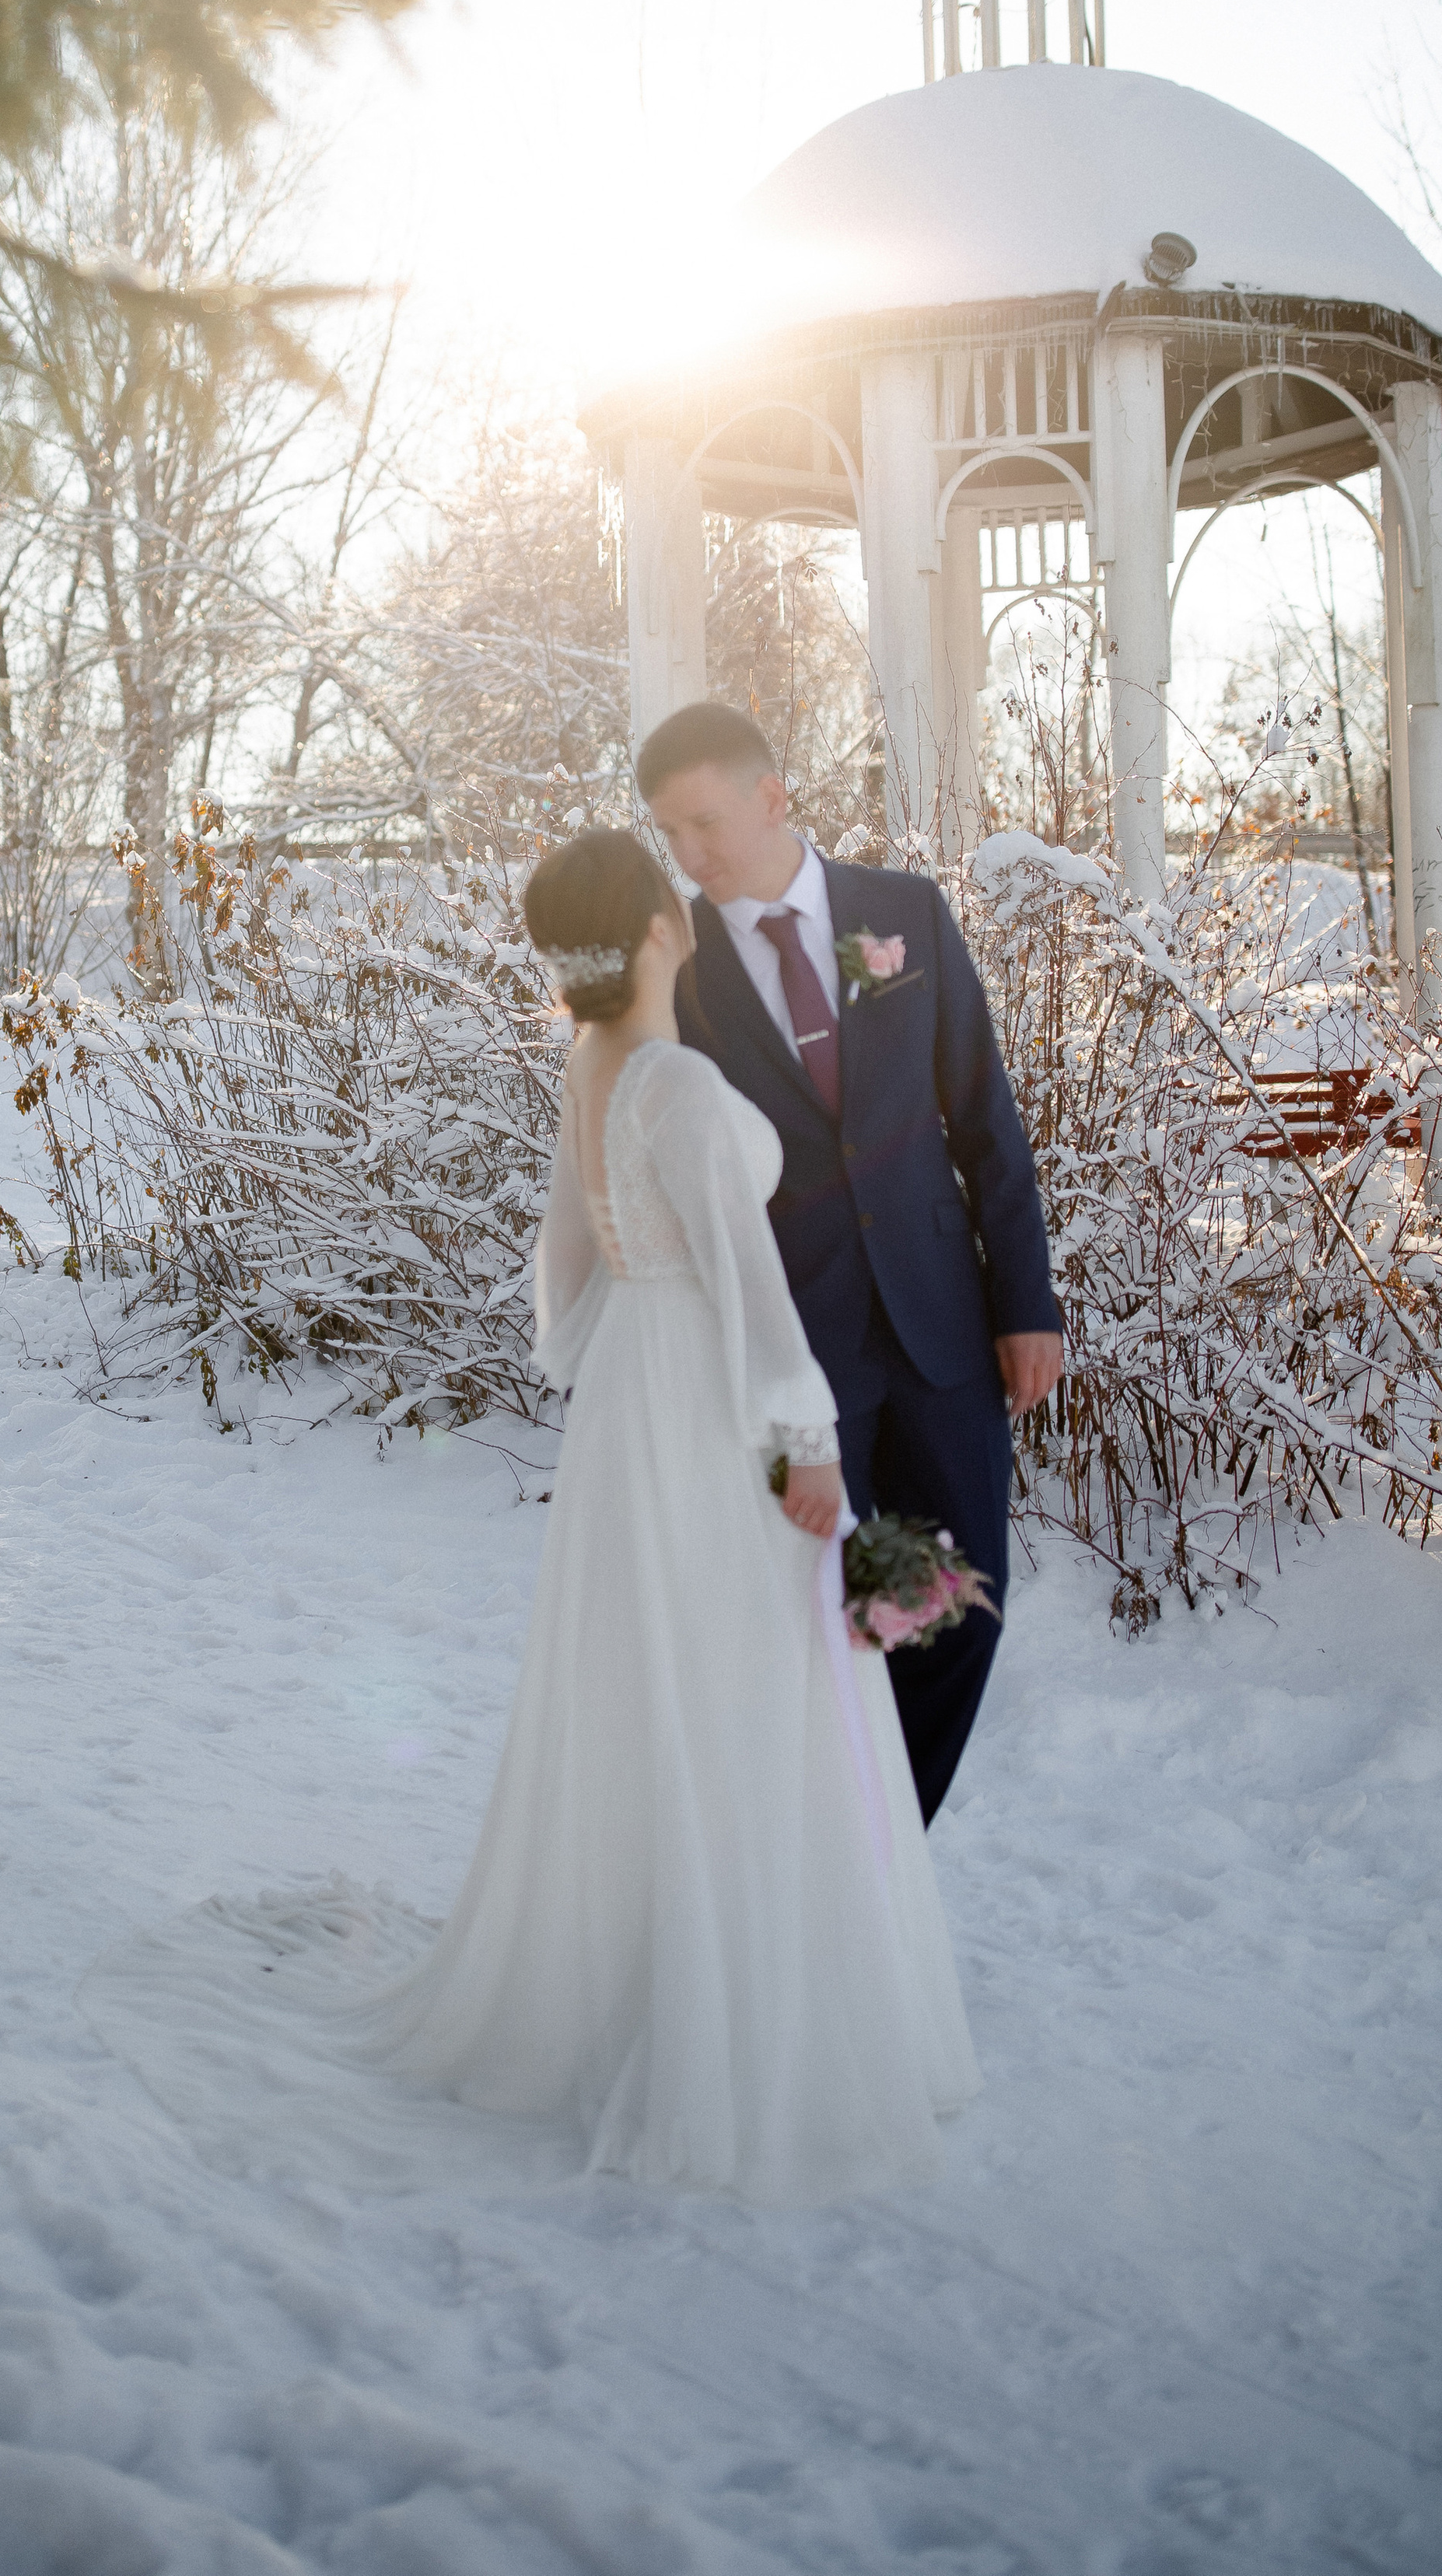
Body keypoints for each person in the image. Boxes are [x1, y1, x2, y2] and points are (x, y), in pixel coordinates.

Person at [347, 828, 979, 2201]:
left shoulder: (590, 1069)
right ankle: (743, 2022)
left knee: (658, 1682)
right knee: (761, 1676)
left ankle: (654, 1975)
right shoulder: (681, 1082)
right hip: (709, 1396)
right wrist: (804, 1440)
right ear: (650, 931)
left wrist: (612, 1361)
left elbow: (562, 1280)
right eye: (669, 899)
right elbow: (750, 1281)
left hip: (635, 1393)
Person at [639, 702, 1062, 1827]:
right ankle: (836, 1891)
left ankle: (881, 1872)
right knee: (829, 1615)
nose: (688, 855)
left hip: (941, 1328)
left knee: (960, 1610)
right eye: (667, 834)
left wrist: (1029, 1301)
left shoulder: (899, 913)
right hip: (797, 1353)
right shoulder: (678, 965)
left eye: (704, 822)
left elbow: (984, 1118)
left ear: (773, 798)